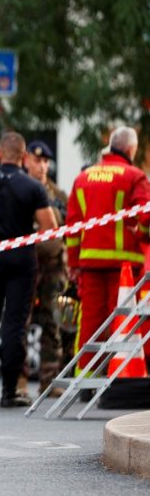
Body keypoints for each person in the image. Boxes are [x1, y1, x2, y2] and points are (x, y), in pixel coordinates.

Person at [0, 132, 56, 408]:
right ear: (24, 156)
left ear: (0, 154)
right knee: (14, 325)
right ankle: (9, 390)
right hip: (22, 259)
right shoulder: (33, 188)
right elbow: (50, 228)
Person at [66, 127, 150, 377]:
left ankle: (86, 376)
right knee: (123, 321)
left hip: (89, 262)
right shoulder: (134, 176)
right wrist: (142, 234)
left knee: (90, 319)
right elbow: (146, 215)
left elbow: (72, 226)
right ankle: (120, 375)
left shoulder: (83, 178)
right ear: (131, 149)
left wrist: (73, 263)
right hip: (124, 264)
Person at [22, 141, 69, 397]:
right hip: (25, 266)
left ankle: (49, 381)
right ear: (25, 159)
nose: (41, 166)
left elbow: (69, 229)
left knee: (53, 322)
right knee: (21, 322)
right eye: (36, 160)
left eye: (45, 162)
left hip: (53, 268)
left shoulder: (58, 195)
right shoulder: (18, 188)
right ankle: (18, 381)